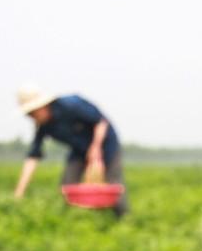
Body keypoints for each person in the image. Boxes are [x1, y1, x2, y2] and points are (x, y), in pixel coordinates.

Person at [13, 84, 129, 217]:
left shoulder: (71, 105)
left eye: (32, 113)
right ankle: (76, 218)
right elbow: (33, 157)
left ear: (42, 106)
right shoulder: (43, 126)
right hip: (79, 150)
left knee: (113, 185)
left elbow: (101, 122)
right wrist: (19, 191)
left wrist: (96, 149)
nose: (31, 117)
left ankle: (123, 218)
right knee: (68, 184)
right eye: (28, 114)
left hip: (106, 144)